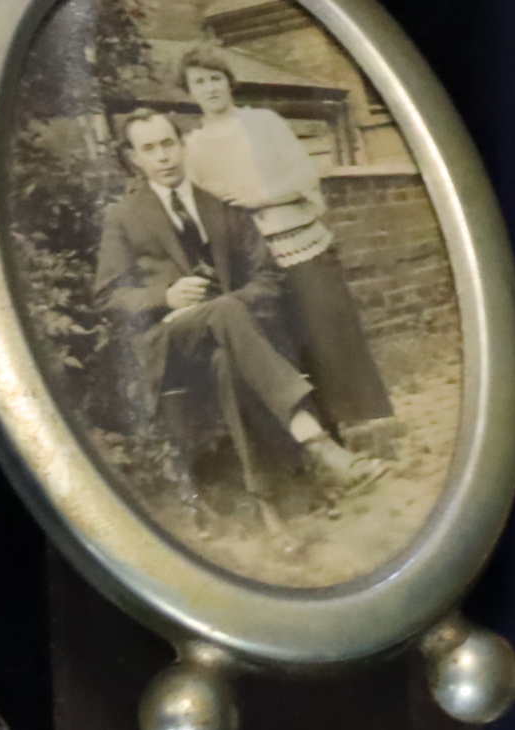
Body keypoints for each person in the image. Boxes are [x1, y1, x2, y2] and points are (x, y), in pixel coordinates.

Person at [94, 105, 376, 512]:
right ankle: (318, 443)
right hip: (173, 341)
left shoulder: (220, 206)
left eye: (169, 144)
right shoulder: (122, 217)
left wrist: (231, 304)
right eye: (150, 149)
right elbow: (108, 296)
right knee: (226, 317)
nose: (163, 157)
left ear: (182, 146)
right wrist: (166, 297)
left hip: (232, 332)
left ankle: (272, 507)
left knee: (229, 355)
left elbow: (267, 278)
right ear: (134, 158)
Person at [177, 46, 391, 439]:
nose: (209, 88)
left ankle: (358, 426)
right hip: (252, 257)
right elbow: (202, 206)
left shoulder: (264, 122)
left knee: (326, 334)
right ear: (189, 91)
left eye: (215, 78)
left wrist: (263, 195)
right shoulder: (193, 148)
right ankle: (314, 438)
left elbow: (304, 172)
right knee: (282, 344)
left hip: (300, 240)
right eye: (199, 82)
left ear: (229, 82)